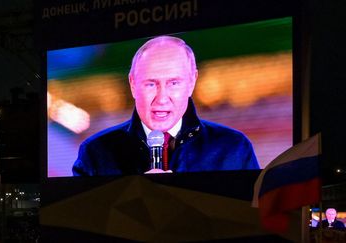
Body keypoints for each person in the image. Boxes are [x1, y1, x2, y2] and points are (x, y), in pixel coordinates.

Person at [72, 35, 259, 176]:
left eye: (173, 83)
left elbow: (251, 220)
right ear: (133, 84)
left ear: (192, 82)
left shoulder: (233, 148)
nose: (161, 99)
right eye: (151, 84)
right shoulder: (95, 153)